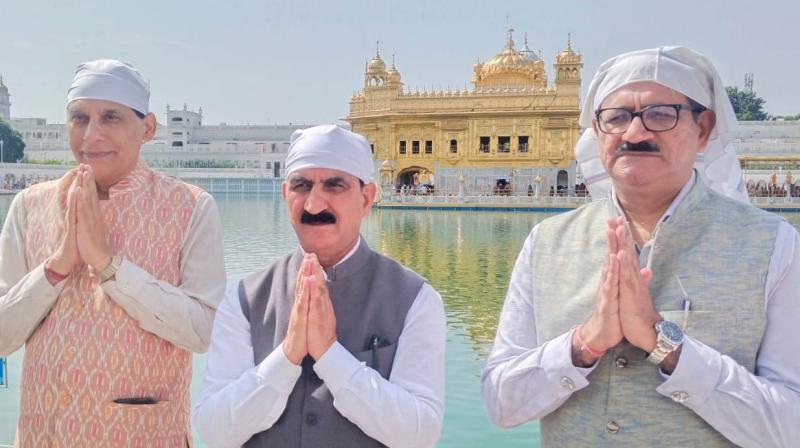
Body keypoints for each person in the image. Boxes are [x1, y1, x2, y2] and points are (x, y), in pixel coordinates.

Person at [481, 46, 800, 447]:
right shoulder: (547, 242)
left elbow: (790, 428)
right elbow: (501, 403)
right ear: (597, 132)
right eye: (616, 117)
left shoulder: (770, 245)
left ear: (703, 129)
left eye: (660, 115)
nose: (634, 133)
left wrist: (663, 341)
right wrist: (584, 344)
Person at [0, 59, 225, 446]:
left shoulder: (189, 208)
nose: (91, 135)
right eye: (79, 118)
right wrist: (56, 268)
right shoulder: (30, 206)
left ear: (148, 128)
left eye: (110, 117)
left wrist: (109, 265)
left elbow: (204, 332)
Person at [193, 125, 445, 448]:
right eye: (302, 186)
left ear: (366, 198)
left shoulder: (414, 299)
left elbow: (420, 434)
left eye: (334, 185)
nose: (313, 205)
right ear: (285, 194)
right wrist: (286, 357)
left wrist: (331, 355)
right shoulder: (246, 299)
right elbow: (214, 432)